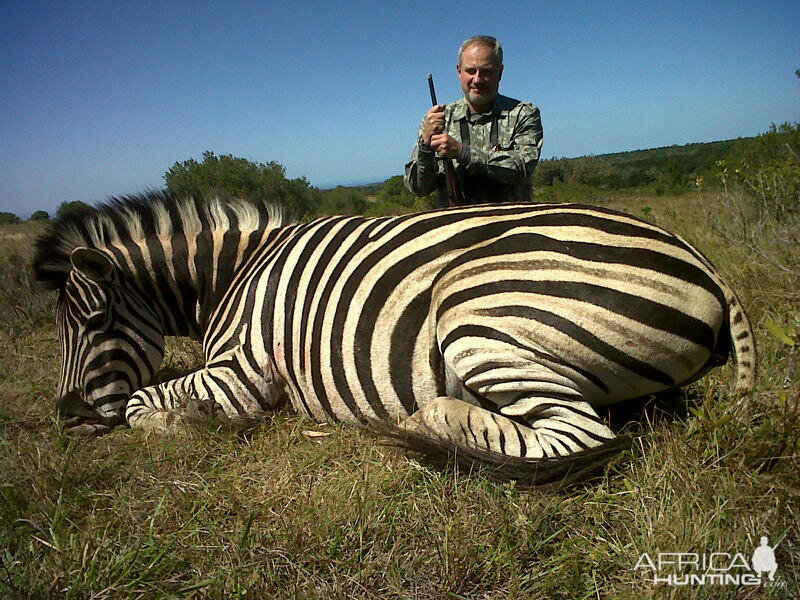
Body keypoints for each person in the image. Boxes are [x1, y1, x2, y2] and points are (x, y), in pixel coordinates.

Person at [404, 35, 543, 207]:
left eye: (486, 72)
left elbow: (522, 167)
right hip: (456, 228)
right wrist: (425, 145)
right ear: (459, 71)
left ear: (499, 73)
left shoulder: (524, 113)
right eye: (471, 71)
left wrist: (463, 153)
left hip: (510, 228)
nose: (477, 79)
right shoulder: (437, 121)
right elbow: (419, 188)